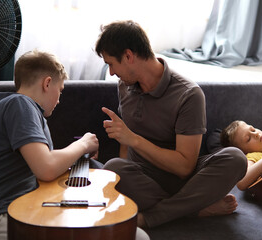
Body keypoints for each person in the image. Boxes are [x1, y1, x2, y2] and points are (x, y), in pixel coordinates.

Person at [94, 20, 247, 228]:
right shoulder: (124, 86)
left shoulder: (188, 95)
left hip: (185, 179)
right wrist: (120, 183)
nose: (111, 73)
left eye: (111, 63)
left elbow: (184, 168)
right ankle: (195, 209)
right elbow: (125, 144)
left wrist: (135, 140)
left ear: (129, 56)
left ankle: (151, 218)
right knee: (113, 169)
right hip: (144, 179)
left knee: (236, 158)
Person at [0, 50, 100, 240]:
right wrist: (84, 144)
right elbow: (46, 167)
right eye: (60, 91)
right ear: (47, 83)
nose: (59, 100)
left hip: (23, 211)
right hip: (4, 216)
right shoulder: (20, 104)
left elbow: (44, 163)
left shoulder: (20, 109)